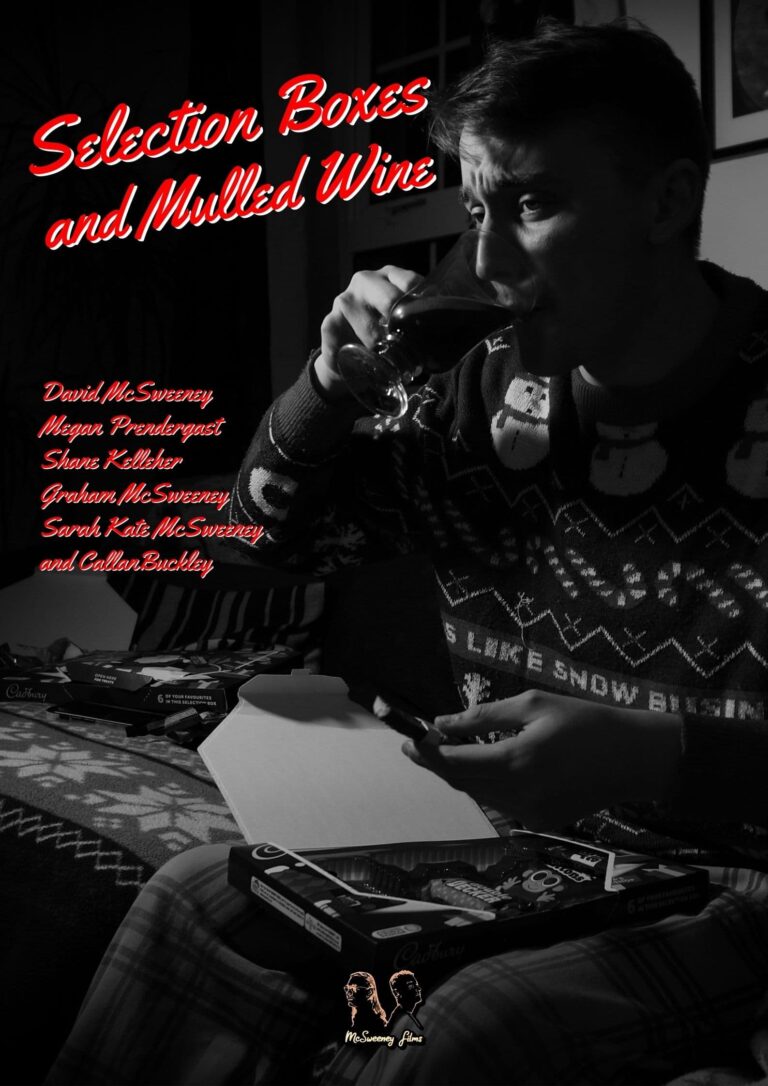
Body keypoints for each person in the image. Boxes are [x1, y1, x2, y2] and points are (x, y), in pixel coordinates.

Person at [48, 18, 768, 1086]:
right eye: (477, 211)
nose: (488, 262)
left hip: (732, 884)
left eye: (533, 204)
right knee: (197, 904)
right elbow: (254, 546)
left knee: (447, 1034)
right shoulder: (474, 392)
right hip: (510, 848)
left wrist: (661, 753)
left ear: (665, 202)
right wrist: (326, 389)